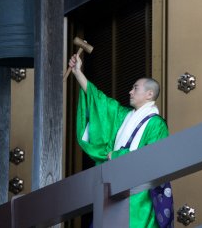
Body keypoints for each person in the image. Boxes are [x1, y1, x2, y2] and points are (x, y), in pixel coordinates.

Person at [69, 53, 174, 228]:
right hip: (115, 186)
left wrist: (117, 155)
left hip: (139, 196)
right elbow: (100, 102)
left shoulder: (157, 125)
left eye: (135, 88)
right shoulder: (123, 116)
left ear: (149, 94)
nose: (130, 91)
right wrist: (78, 72)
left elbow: (153, 159)